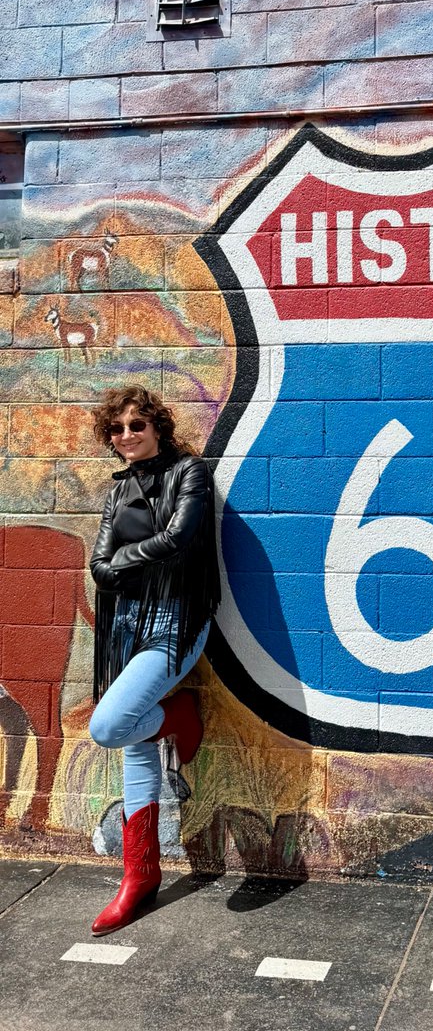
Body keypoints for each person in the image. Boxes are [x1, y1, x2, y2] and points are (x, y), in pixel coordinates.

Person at [87, 386, 220, 935]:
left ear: (157, 426)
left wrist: (120, 560)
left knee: (110, 725)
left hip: (174, 621)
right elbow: (98, 563)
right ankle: (139, 875)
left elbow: (179, 537)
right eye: (116, 430)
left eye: (135, 425)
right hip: (123, 627)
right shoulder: (118, 492)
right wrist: (111, 564)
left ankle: (177, 715)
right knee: (134, 745)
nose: (126, 437)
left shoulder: (190, 472)